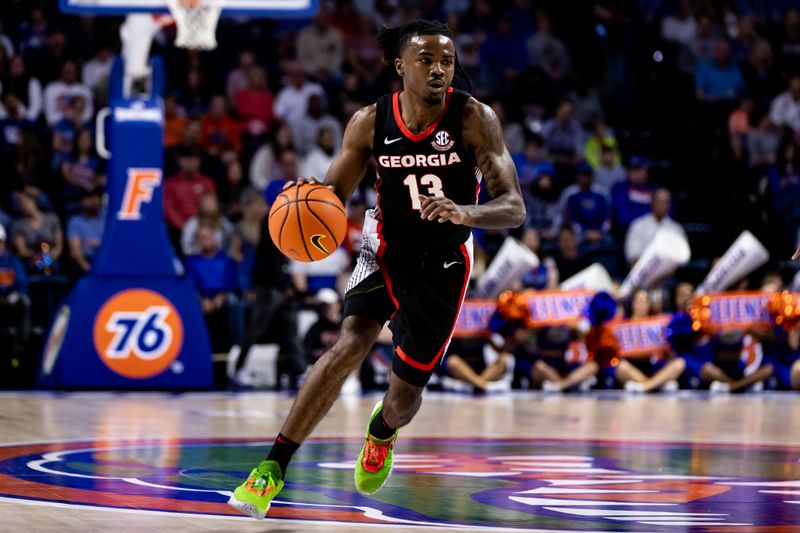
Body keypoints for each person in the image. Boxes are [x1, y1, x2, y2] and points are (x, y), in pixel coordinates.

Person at [228, 20, 525, 519]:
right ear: (400, 65)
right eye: (427, 60)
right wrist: (307, 207)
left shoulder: (475, 119)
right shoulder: (369, 122)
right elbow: (330, 199)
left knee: (404, 399)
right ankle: (272, 468)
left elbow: (514, 207)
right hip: (384, 245)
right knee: (350, 342)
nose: (438, 69)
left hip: (446, 261)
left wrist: (467, 212)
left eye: (446, 62)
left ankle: (382, 430)